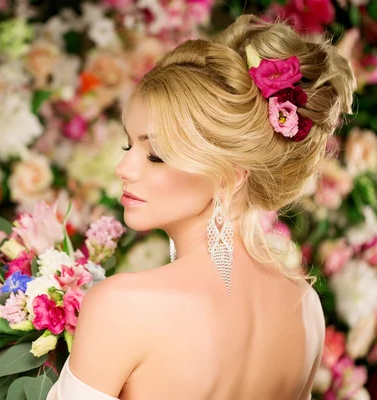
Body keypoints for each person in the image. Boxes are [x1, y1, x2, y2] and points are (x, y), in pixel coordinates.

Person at [47, 14, 355, 400]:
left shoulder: (123, 305)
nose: (123, 169)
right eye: (130, 146)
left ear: (229, 175)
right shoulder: (305, 309)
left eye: (155, 155)